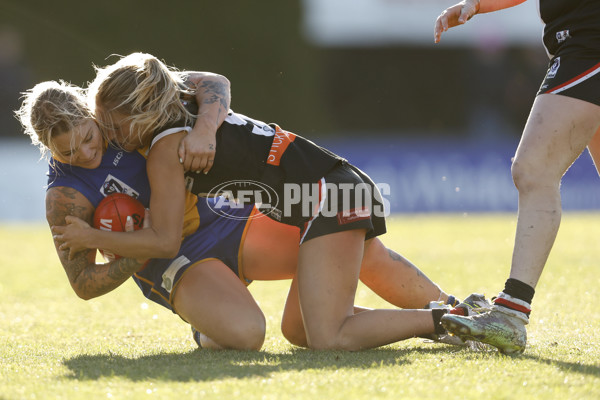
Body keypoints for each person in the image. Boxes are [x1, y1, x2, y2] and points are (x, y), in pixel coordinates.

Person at [51, 52, 493, 351]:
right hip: (337, 185)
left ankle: (448, 321)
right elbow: (213, 81)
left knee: (328, 335)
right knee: (297, 329)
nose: (108, 137)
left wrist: (91, 235)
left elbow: (165, 241)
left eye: (110, 125)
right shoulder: (179, 97)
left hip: (327, 195)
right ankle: (462, 310)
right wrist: (206, 127)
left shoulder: (166, 149)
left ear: (141, 113)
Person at [434, 0, 600, 354]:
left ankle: (511, 311)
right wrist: (477, 5)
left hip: (590, 44)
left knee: (534, 170)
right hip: (580, 42)